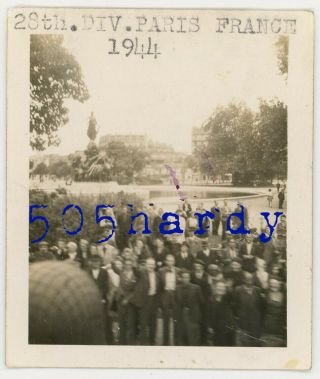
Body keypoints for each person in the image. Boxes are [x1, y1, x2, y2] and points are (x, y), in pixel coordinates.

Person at [134, 258, 160, 345]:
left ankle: (152, 342)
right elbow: (135, 270)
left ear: (155, 266)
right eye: (149, 264)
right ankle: (143, 343)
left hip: (154, 300)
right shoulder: (141, 273)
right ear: (146, 265)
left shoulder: (157, 274)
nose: (151, 266)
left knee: (153, 323)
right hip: (144, 301)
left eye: (152, 264)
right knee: (143, 323)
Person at [87, 254, 113, 344]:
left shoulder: (104, 272)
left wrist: (101, 297)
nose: (96, 263)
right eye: (94, 262)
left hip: (102, 300)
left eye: (97, 262)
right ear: (91, 262)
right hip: (90, 301)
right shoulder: (87, 272)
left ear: (100, 262)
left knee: (104, 320)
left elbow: (106, 286)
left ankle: (106, 341)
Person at [233, 272, 264, 346]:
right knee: (244, 340)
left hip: (255, 321)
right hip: (242, 320)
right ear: (243, 280)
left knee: (255, 341)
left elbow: (261, 305)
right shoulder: (238, 290)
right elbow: (234, 304)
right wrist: (237, 316)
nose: (249, 281)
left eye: (251, 279)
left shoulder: (257, 290)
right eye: (247, 279)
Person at [175, 270, 203, 346]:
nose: (185, 279)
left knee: (192, 336)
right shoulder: (177, 288)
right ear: (180, 278)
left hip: (192, 314)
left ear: (190, 278)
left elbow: (201, 302)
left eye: (187, 277)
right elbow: (176, 302)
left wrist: (197, 315)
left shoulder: (196, 288)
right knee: (182, 335)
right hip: (181, 314)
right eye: (183, 277)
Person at [159, 254, 180, 345]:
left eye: (172, 261)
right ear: (166, 261)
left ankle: (176, 342)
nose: (170, 263)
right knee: (166, 320)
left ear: (174, 262)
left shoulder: (179, 271)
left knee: (176, 319)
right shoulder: (161, 271)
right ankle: (165, 343)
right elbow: (159, 286)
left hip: (175, 295)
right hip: (166, 295)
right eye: (168, 261)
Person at [207, 281, 235, 346]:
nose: (220, 288)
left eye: (222, 287)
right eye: (219, 286)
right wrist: (209, 326)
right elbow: (208, 314)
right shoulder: (211, 300)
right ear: (215, 288)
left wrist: (228, 287)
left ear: (225, 289)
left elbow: (231, 294)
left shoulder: (227, 298)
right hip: (216, 329)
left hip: (228, 328)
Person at [118, 258, 139, 345]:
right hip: (121, 301)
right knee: (122, 322)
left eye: (130, 264)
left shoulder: (136, 275)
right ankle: (122, 342)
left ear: (132, 265)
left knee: (131, 323)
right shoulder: (121, 273)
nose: (128, 266)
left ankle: (130, 342)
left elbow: (136, 290)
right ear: (124, 265)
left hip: (131, 302)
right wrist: (123, 297)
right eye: (126, 264)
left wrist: (128, 299)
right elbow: (119, 286)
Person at [262, 277, 286, 347]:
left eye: (275, 283)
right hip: (268, 324)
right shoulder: (266, 294)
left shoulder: (284, 295)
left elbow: (285, 310)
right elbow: (261, 309)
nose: (273, 285)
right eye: (271, 283)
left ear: (279, 284)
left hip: (279, 324)